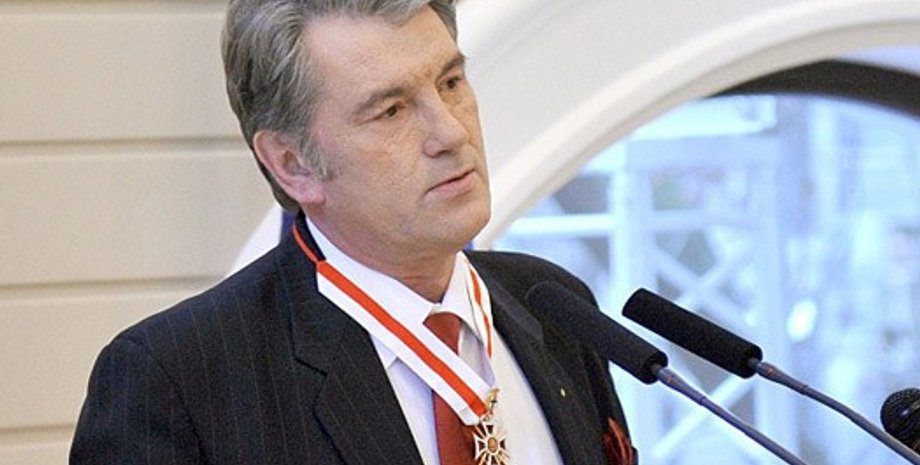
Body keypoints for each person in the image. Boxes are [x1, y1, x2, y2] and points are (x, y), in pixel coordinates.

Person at [70, 1, 636, 464]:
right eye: (391, 111)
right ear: (293, 164)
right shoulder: (180, 382)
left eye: (451, 82)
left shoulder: (553, 308)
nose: (450, 132)